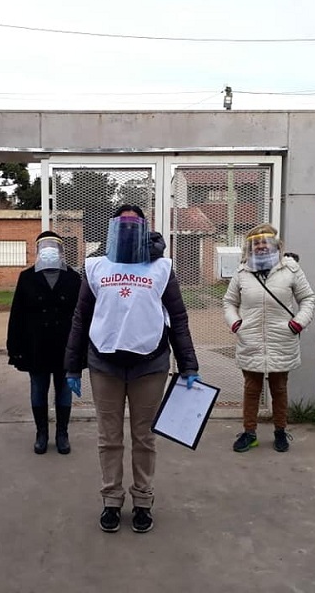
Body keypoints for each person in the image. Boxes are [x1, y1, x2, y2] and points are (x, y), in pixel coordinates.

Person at [64, 204, 200, 534]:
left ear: (143, 229)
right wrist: (72, 366)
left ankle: (143, 500)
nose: (127, 229)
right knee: (109, 438)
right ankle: (111, 499)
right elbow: (81, 317)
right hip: (104, 364)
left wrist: (188, 364)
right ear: (112, 229)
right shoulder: (95, 267)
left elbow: (178, 318)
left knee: (144, 437)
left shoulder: (161, 268)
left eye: (133, 224)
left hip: (149, 365)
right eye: (121, 224)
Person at [223, 223, 315, 453]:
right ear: (250, 247)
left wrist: (297, 323)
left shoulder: (290, 269)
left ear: (276, 244)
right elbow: (229, 302)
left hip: (281, 339)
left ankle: (280, 431)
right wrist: (236, 323)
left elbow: (307, 298)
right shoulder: (242, 272)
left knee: (279, 389)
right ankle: (249, 433)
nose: (261, 246)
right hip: (251, 340)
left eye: (265, 241)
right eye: (256, 243)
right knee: (251, 389)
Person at [7, 231, 82, 455]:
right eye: (44, 246)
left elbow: (81, 315)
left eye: (54, 247)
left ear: (61, 251)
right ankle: (41, 433)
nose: (49, 251)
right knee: (38, 389)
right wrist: (15, 347)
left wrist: (82, 348)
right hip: (36, 345)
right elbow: (17, 315)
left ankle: (62, 433)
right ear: (38, 251)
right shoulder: (27, 277)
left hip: (65, 345)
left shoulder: (73, 278)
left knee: (64, 390)